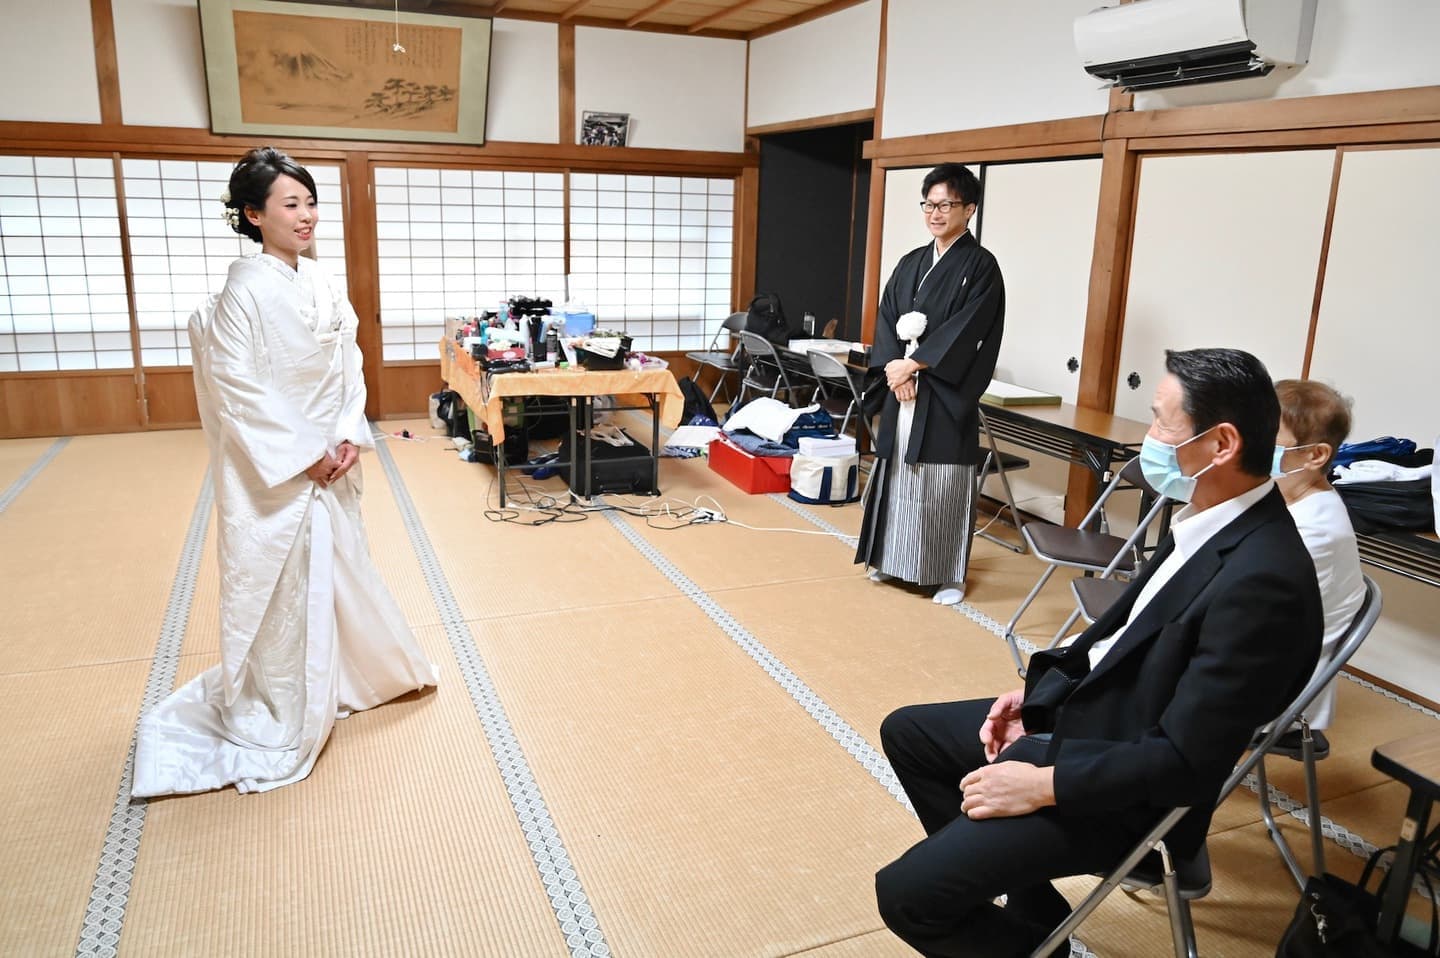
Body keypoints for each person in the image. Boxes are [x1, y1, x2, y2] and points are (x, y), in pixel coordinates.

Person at [875, 348, 1323, 958]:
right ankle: (1034, 913)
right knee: (910, 734)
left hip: (1127, 791)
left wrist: (1042, 785)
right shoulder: (1207, 518)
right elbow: (1116, 640)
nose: (1150, 440)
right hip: (1093, 723)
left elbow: (1185, 763)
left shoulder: (1263, 579)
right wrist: (1038, 702)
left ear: (1220, 444)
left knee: (906, 896)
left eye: (1163, 422)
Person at [133, 147, 438, 798]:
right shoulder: (243, 290)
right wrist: (306, 451)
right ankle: (283, 699)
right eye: (290, 204)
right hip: (282, 465)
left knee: (341, 563)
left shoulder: (324, 281)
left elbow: (349, 363)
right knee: (281, 581)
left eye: (310, 202)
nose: (307, 216)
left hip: (330, 450)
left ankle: (350, 676)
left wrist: (349, 433)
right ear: (253, 214)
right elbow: (238, 385)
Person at [855, 164, 1005, 606]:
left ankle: (947, 575)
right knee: (897, 473)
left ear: (969, 209)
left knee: (941, 482)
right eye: (929, 204)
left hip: (941, 391)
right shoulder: (910, 263)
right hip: (904, 386)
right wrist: (893, 369)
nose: (935, 213)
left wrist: (916, 366)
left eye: (946, 204)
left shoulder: (980, 267)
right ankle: (891, 559)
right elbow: (886, 318)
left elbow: (970, 328)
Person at [1273, 379, 1366, 730]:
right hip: (1250, 657)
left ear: (1316, 455)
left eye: (1269, 442)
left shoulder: (1317, 529)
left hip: (1276, 685)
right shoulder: (1284, 498)